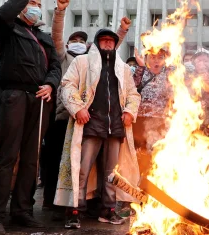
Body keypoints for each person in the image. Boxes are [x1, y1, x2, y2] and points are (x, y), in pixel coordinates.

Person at [0, 0, 61, 234]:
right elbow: (1, 14)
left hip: (40, 100)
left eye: (39, 3)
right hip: (15, 95)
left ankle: (22, 211)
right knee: (7, 155)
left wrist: (50, 85)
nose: (35, 6)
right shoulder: (7, 26)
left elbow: (56, 66)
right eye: (31, 2)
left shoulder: (43, 36)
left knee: (31, 158)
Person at [53, 29, 141, 229]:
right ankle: (75, 211)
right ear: (97, 42)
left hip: (116, 127)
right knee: (81, 170)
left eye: (111, 41)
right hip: (90, 125)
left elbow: (133, 94)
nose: (108, 44)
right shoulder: (82, 62)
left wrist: (129, 112)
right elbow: (67, 85)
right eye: (104, 40)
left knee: (112, 173)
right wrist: (78, 109)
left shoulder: (123, 68)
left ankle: (108, 210)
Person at [133, 46, 173, 175]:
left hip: (160, 122)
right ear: (147, 59)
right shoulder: (141, 72)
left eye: (160, 58)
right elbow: (131, 88)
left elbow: (175, 97)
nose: (156, 61)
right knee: (139, 155)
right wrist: (140, 67)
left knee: (157, 155)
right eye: (153, 57)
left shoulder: (169, 75)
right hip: (140, 121)